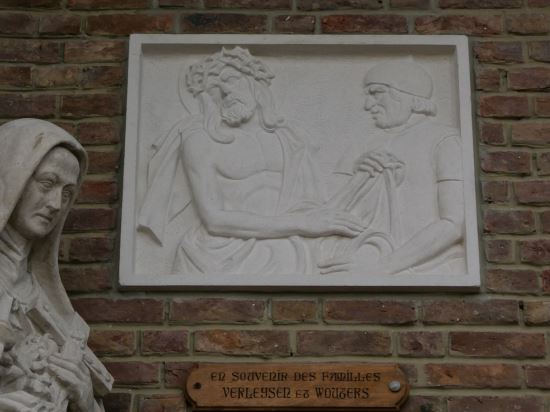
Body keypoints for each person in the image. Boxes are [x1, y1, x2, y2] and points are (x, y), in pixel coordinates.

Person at [138, 47, 364, 276]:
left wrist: (363, 175)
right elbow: (214, 220)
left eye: (231, 79)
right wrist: (301, 223)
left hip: (287, 248)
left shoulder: (290, 139)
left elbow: (317, 205)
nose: (225, 91)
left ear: (255, 83)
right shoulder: (201, 140)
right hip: (217, 254)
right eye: (214, 89)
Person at [0, 119, 112, 411]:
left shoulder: (48, 305)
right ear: (11, 177)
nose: (56, 204)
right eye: (47, 184)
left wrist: (85, 399)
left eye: (66, 193)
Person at [319, 59, 465, 276]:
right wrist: (358, 176)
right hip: (355, 256)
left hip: (425, 268)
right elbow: (325, 213)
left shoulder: (443, 140)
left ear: (408, 94)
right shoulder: (361, 145)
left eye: (377, 93)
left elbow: (454, 222)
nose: (368, 105)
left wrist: (382, 267)